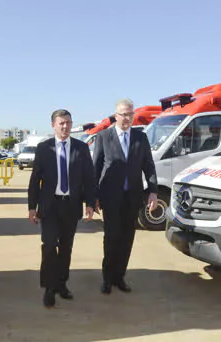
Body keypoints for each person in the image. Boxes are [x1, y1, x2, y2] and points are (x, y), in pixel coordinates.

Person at [28, 109, 96, 308]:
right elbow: (35, 180)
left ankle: (61, 284)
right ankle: (49, 288)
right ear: (53, 125)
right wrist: (32, 206)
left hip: (71, 206)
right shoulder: (43, 148)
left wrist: (90, 203)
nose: (65, 126)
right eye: (61, 123)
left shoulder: (81, 148)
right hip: (49, 206)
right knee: (49, 246)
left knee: (66, 248)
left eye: (68, 122)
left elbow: (89, 179)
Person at [93, 98, 158, 294]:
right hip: (111, 197)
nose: (127, 118)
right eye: (123, 114)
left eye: (130, 114)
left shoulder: (140, 137)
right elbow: (95, 168)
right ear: (116, 116)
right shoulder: (104, 136)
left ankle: (120, 277)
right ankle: (107, 278)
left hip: (133, 197)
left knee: (127, 238)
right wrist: (93, 197)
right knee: (112, 237)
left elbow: (148, 165)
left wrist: (153, 191)